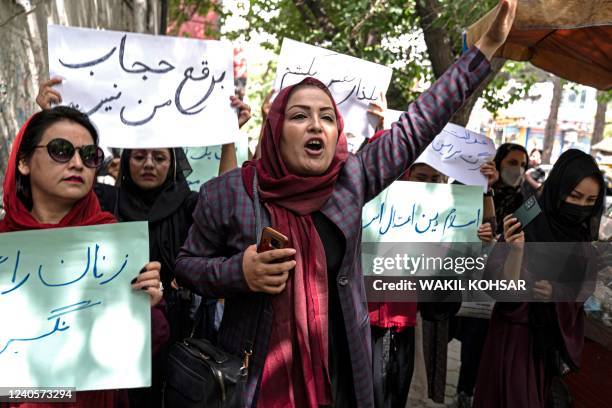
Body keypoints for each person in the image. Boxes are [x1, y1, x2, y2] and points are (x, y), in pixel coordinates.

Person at [174, 1, 516, 406]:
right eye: (300, 116)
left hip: (339, 375)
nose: (316, 124)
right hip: (255, 382)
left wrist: (483, 51)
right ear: (276, 129)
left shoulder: (351, 180)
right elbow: (187, 267)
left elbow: (419, 123)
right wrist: (240, 271)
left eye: (327, 117)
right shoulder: (227, 193)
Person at [0, 106, 168, 407]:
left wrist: (147, 305)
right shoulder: (4, 243)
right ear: (24, 162)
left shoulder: (113, 241)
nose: (77, 163)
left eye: (90, 155)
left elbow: (146, 345)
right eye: (61, 150)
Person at [473, 149, 605, 407]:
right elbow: (498, 284)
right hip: (512, 341)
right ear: (558, 187)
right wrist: (516, 253)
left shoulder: (581, 235)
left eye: (590, 201)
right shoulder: (528, 214)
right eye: (575, 196)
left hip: (546, 347)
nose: (580, 207)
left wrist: (557, 294)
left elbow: (582, 290)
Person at [492, 143, 529, 235]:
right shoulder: (480, 189)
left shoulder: (522, 198)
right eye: (513, 163)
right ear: (498, 162)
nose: (519, 170)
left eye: (523, 165)